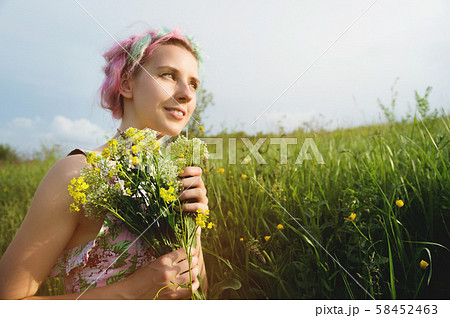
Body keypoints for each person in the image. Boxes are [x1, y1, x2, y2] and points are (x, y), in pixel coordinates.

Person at [0, 28, 208, 299]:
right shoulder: (77, 173)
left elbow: (200, 291)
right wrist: (131, 293)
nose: (186, 94)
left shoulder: (182, 179)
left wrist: (194, 225)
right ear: (126, 84)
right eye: (168, 75)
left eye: (193, 84)